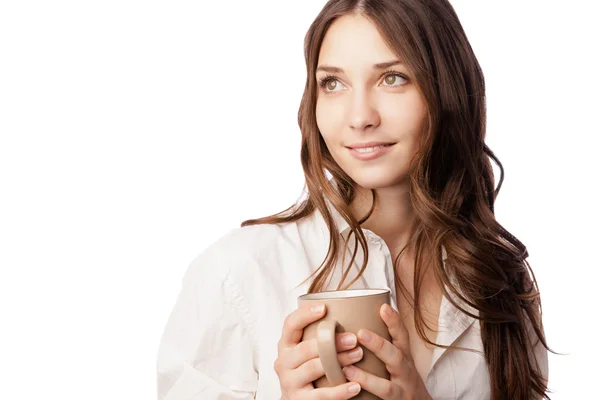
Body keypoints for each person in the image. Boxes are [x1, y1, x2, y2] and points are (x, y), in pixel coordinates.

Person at [156, 0, 551, 399]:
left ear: (446, 88)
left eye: (393, 78)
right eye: (333, 83)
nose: (359, 117)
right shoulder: (241, 272)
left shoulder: (498, 279)